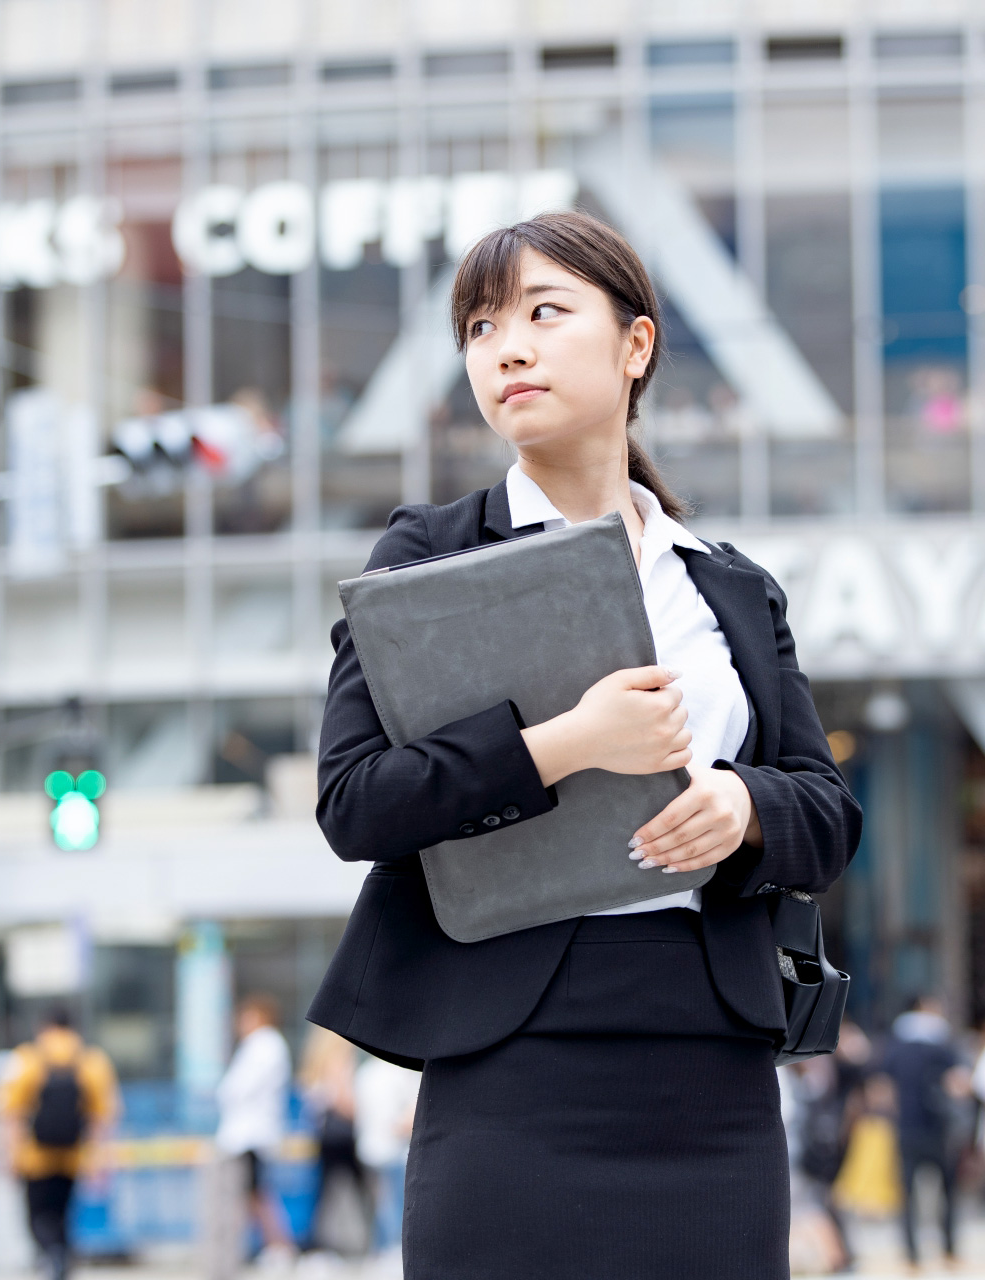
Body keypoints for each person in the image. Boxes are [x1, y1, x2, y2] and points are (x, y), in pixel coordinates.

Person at [307, 209, 863, 1279]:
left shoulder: (727, 583)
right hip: (507, 1049)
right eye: (476, 326)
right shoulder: (427, 554)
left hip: (709, 1059)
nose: (503, 347)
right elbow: (355, 801)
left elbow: (826, 813)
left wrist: (745, 806)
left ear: (634, 345)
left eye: (541, 313)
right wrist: (563, 742)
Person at [0, 1008, 119, 1280]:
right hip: (73, 1155)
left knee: (38, 1215)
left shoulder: (28, 1058)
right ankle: (60, 1257)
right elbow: (103, 1114)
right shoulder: (91, 1060)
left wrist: (9, 1154)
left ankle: (50, 1254)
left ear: (44, 1027)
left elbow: (10, 1112)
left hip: (34, 1157)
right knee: (63, 1214)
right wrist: (99, 1157)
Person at [881, 995, 971, 1268]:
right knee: (948, 1191)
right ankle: (949, 1250)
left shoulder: (895, 1044)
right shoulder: (943, 1043)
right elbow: (961, 1084)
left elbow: (882, 1088)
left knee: (906, 1194)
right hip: (939, 1128)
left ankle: (911, 1256)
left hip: (906, 1127)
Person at [214, 994, 293, 1263]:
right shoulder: (264, 1046)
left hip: (250, 1134)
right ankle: (271, 1246)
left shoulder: (264, 1045)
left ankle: (279, 1246)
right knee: (252, 1193)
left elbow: (237, 1089)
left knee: (256, 1193)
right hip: (249, 1133)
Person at [299, 1027, 367, 1254]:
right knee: (362, 1188)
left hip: (325, 1132)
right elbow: (342, 1098)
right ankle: (373, 1242)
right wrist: (366, 1115)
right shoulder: (339, 1058)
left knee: (324, 1191)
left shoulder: (317, 1060)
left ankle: (317, 1243)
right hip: (343, 1132)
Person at [353, 1055, 420, 1254]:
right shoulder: (400, 1072)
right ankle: (393, 1248)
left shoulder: (365, 1072)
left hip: (369, 1149)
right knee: (393, 1204)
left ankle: (381, 1248)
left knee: (380, 1203)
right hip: (393, 1148)